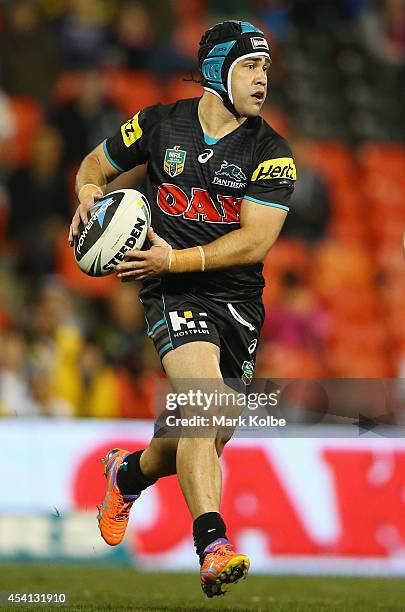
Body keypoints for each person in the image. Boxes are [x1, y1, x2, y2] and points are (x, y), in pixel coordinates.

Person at [69, 20, 296, 597]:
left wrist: (178, 259)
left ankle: (127, 474)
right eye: (250, 66)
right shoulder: (157, 123)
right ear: (218, 69)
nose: (262, 78)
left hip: (237, 301)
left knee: (211, 431)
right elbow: (92, 166)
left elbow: (256, 241)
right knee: (202, 408)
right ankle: (212, 544)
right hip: (173, 295)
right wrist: (89, 194)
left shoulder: (272, 152)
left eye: (266, 68)